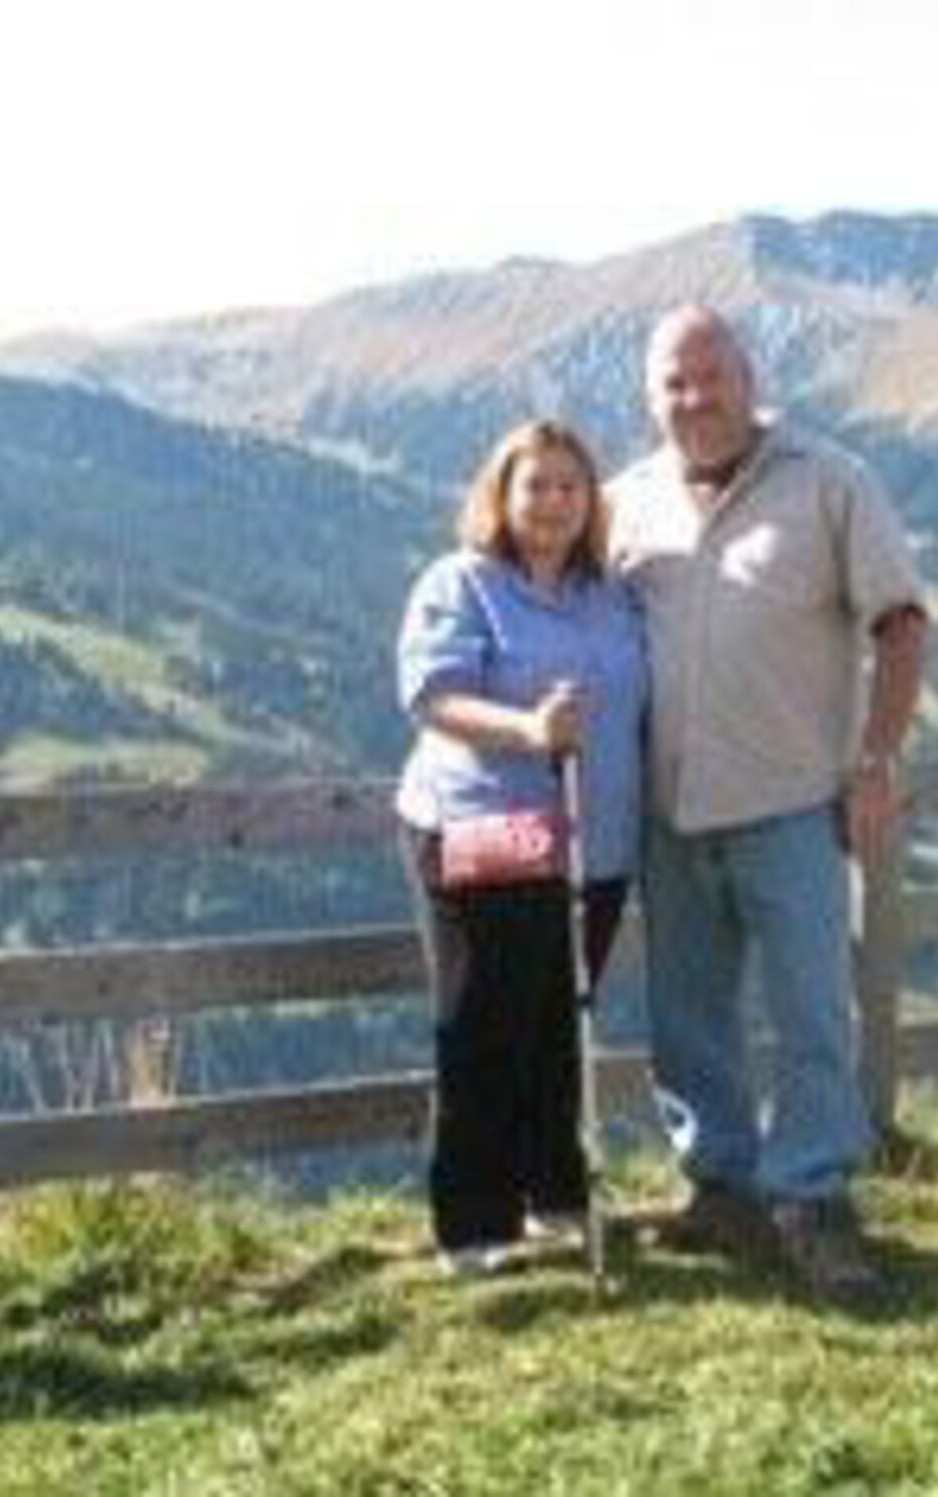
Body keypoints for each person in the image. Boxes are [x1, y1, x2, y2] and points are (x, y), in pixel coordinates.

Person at [609, 306, 928, 1297]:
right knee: (687, 1016)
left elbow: (902, 622)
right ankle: (721, 1188)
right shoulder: (624, 501)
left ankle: (813, 1200)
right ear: (649, 397)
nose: (694, 398)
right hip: (668, 809)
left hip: (792, 800)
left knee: (810, 1013)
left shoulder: (829, 480)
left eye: (711, 376)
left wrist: (876, 759)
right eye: (674, 383)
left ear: (749, 379)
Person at [396, 419, 647, 1276]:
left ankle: (556, 1191)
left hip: (594, 839)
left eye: (570, 486)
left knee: (559, 1018)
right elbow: (434, 696)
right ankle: (474, 1221)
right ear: (500, 495)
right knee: (484, 1022)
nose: (553, 502)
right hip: (487, 827)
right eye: (535, 484)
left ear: (591, 499)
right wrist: (529, 729)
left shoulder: (608, 593)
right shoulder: (461, 583)